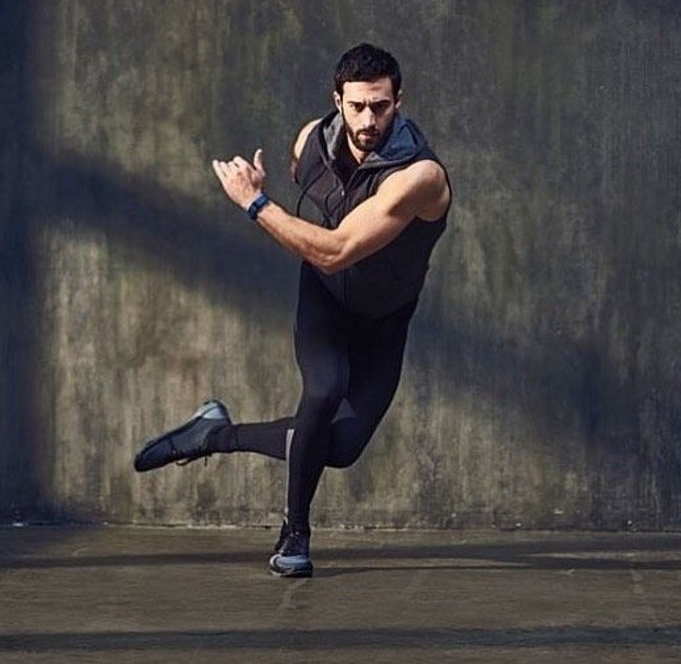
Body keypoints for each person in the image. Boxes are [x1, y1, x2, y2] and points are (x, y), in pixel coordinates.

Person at [134, 43, 451, 578]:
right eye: (357, 106)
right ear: (337, 100)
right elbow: (315, 215)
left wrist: (255, 203)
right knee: (322, 392)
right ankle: (295, 535)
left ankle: (213, 435)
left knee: (342, 447)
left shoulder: (419, 177)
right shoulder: (311, 142)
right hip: (325, 300)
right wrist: (266, 194)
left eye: (380, 106)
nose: (368, 120)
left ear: (399, 102)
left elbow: (337, 249)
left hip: (383, 321)